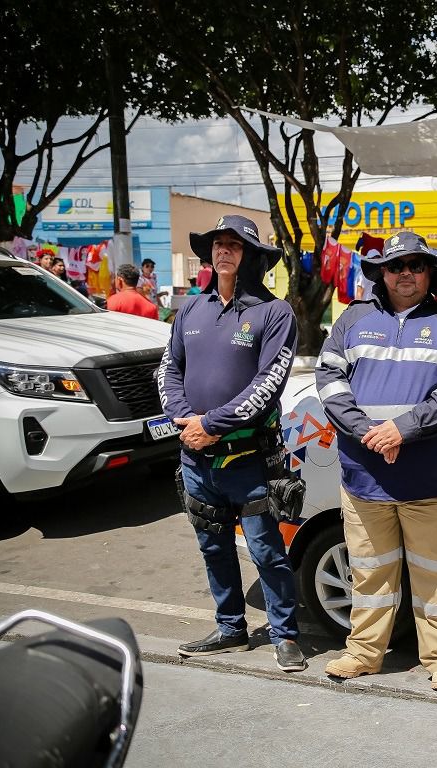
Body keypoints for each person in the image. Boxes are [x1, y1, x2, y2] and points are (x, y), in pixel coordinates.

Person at [315, 231, 437, 693]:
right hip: (364, 477)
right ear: (381, 273)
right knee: (369, 573)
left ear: (430, 273)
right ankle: (364, 654)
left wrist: (400, 430)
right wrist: (369, 431)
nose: (405, 273)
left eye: (415, 265)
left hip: (431, 479)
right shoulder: (353, 319)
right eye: (395, 266)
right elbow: (328, 381)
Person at [158, 214, 306, 673]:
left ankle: (285, 635)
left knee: (266, 551)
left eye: (234, 245)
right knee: (213, 547)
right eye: (218, 244)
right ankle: (230, 628)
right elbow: (168, 368)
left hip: (249, 462)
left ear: (252, 257)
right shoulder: (191, 309)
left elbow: (269, 385)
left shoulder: (274, 312)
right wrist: (184, 419)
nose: (223, 251)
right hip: (195, 458)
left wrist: (212, 424)